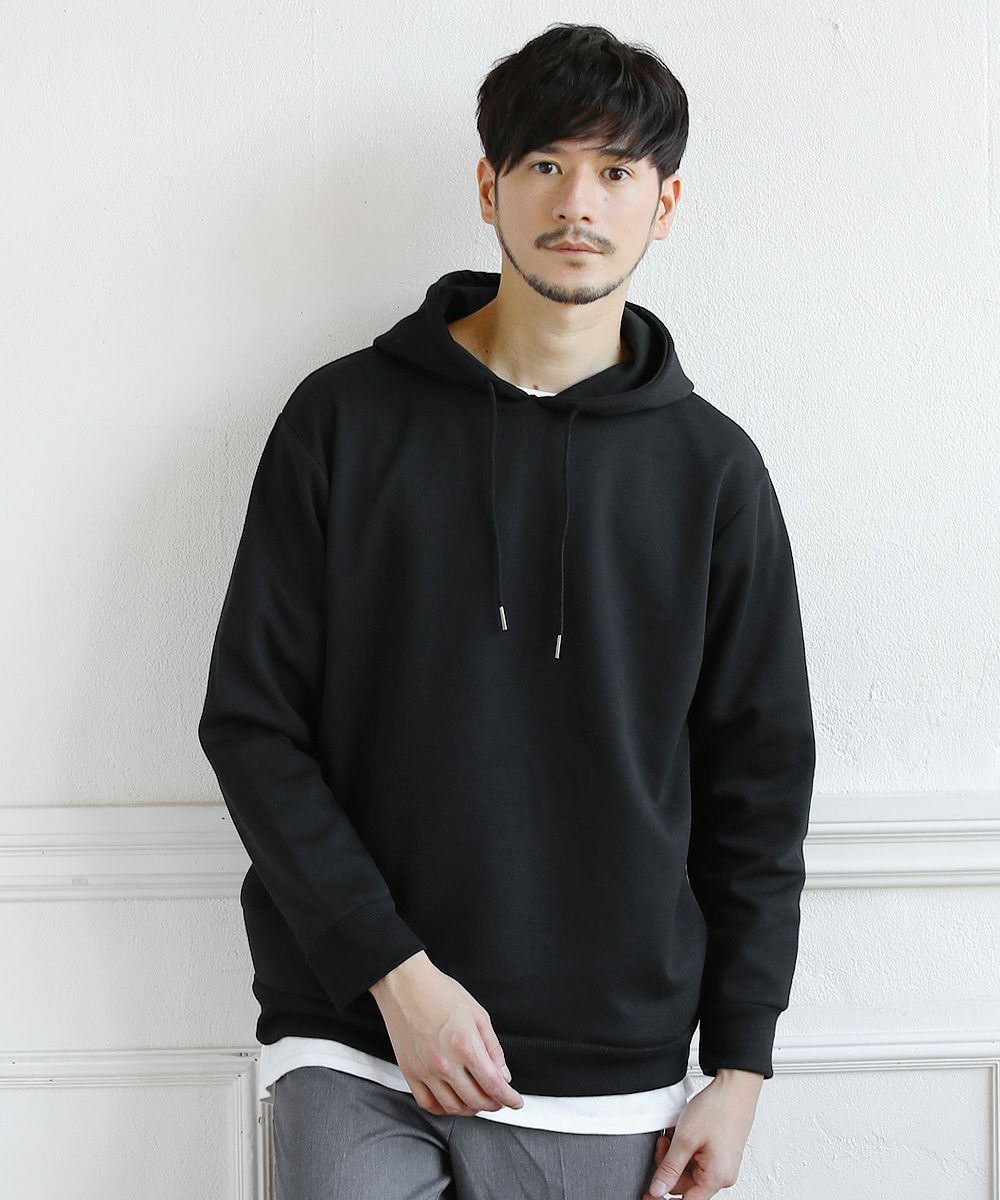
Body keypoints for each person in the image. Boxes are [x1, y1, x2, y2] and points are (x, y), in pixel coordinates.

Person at [197, 21, 816, 1200]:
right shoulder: (341, 422)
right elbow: (252, 725)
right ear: (489, 187)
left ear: (664, 204)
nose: (577, 202)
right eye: (545, 164)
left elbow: (760, 783)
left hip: (607, 1062)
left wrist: (739, 1066)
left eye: (615, 171)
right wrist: (395, 974)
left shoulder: (714, 473)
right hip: (354, 1030)